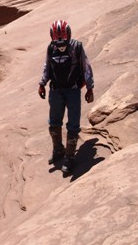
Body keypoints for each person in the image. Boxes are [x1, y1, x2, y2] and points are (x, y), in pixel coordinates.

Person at [38, 20, 94, 174]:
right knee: (54, 122)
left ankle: (69, 157)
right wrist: (42, 83)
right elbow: (47, 66)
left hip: (73, 91)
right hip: (56, 91)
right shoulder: (51, 48)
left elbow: (86, 65)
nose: (60, 43)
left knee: (73, 125)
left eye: (62, 38)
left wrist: (90, 87)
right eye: (57, 39)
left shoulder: (77, 47)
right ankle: (58, 150)